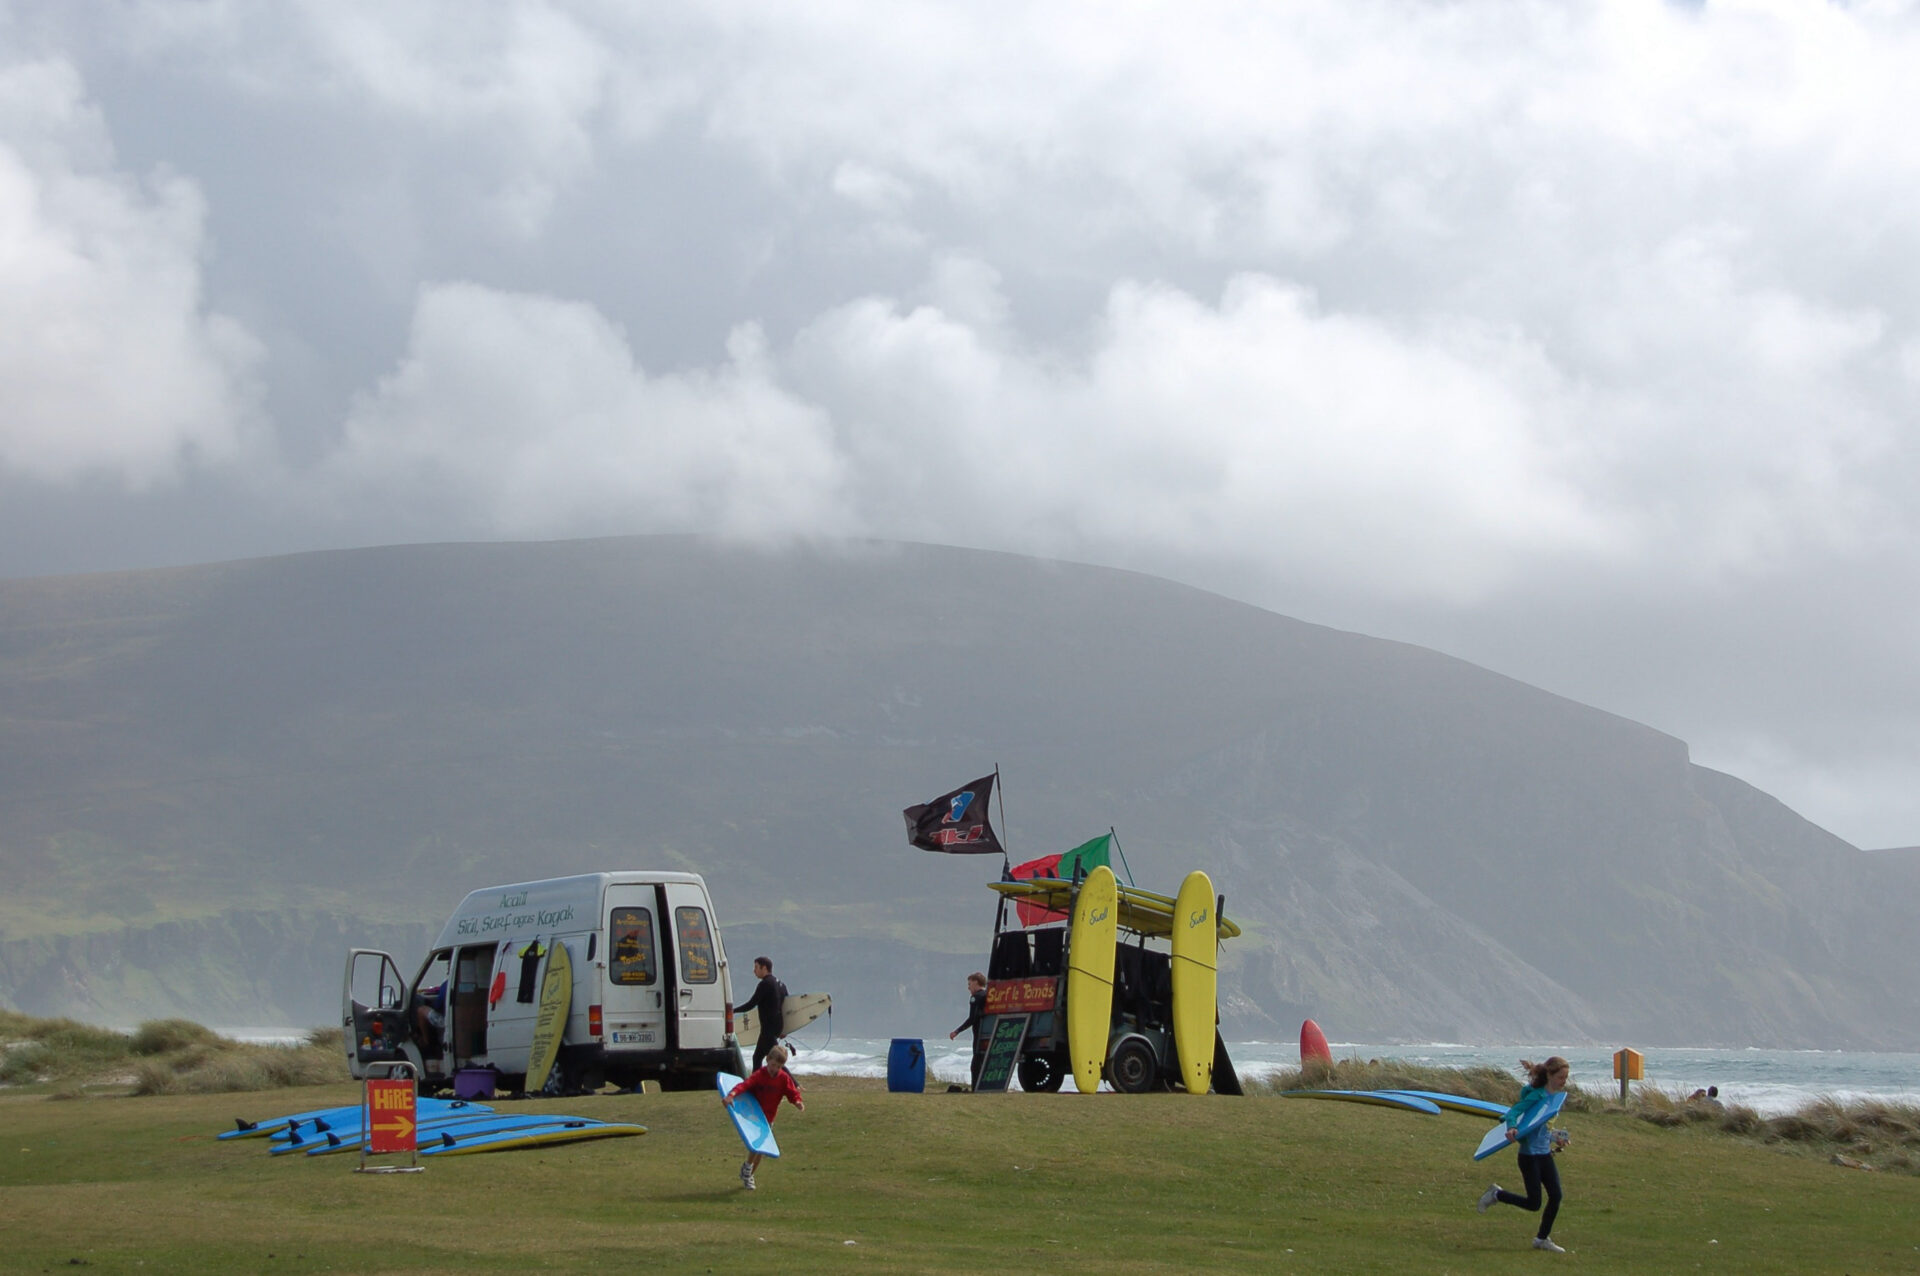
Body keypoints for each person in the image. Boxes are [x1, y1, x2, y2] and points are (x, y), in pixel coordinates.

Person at [1475, 1056, 1572, 1253]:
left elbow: (1542, 1127)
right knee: (1534, 1203)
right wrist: (1511, 1128)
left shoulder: (1553, 1099)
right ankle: (1496, 1194)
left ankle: (1542, 1239)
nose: (1564, 1081)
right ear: (1550, 1076)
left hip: (1544, 1154)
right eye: (1561, 1077)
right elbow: (1513, 1113)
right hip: (1529, 1157)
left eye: (1566, 1077)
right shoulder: (1536, 1096)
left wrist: (1556, 1138)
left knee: (1556, 1195)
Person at [722, 1042, 803, 1190]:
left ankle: (749, 1173)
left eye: (778, 1067)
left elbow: (791, 1092)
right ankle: (747, 1169)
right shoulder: (759, 1075)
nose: (774, 1069)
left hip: (769, 1118)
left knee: (761, 1149)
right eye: (773, 1065)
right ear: (767, 1060)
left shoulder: (783, 1078)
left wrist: (797, 1101)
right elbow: (744, 1085)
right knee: (757, 1146)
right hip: (754, 1115)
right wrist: (731, 1095)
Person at [736, 957, 786, 1072]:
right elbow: (786, 1006)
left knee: (776, 1059)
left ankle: (794, 1084)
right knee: (757, 1057)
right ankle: (755, 1083)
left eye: (756, 967)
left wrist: (733, 1011)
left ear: (764, 968)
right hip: (776, 1027)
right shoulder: (781, 984)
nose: (754, 971)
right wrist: (784, 1029)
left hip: (768, 1028)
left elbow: (751, 1004)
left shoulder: (765, 984)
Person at [949, 972, 988, 1087]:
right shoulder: (988, 994)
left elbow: (972, 1018)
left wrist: (957, 1031)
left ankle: (976, 1087)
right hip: (991, 1032)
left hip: (980, 1033)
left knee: (976, 1063)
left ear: (976, 983)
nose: (968, 987)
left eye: (970, 984)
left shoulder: (975, 997)